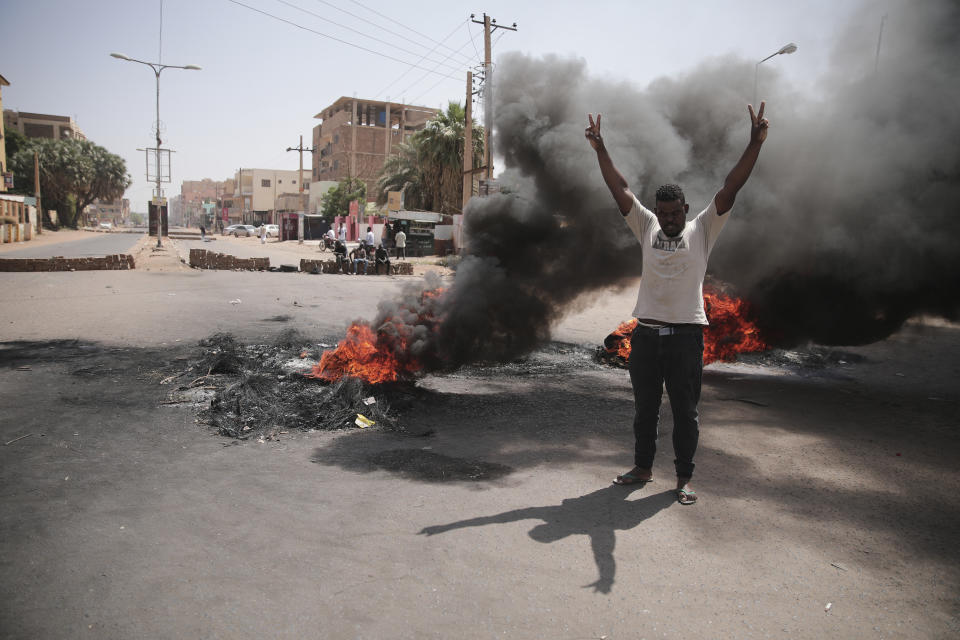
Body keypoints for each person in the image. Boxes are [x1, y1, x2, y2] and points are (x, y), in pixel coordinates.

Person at [585, 102, 770, 505]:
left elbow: (730, 186)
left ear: (685, 210)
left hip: (686, 338)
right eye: (663, 212)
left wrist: (753, 144)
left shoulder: (703, 228)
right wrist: (601, 149)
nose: (667, 218)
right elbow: (621, 189)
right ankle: (643, 467)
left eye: (674, 212)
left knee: (686, 413)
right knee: (644, 412)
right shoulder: (646, 224)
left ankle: (684, 478)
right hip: (647, 337)